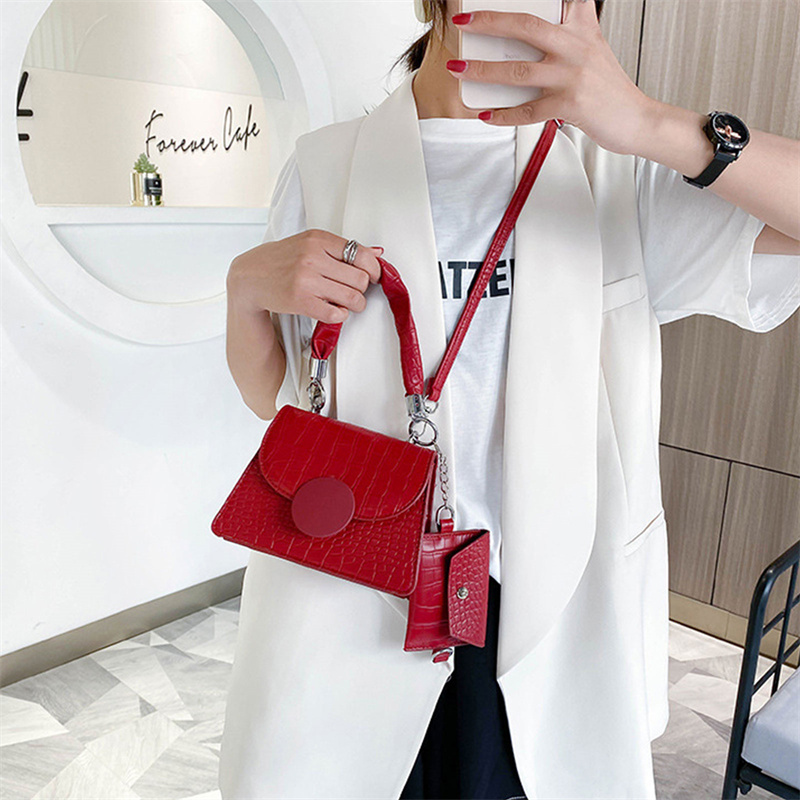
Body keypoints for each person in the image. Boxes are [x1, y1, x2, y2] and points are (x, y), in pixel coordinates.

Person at [218, 1, 800, 798]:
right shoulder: (326, 166)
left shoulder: (617, 173)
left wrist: (652, 123)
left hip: (549, 607)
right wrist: (244, 289)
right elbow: (271, 399)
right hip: (354, 594)